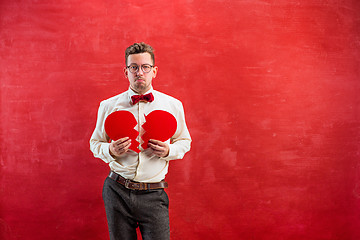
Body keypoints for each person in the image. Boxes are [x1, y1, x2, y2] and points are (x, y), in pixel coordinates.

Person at [90, 42, 191, 240]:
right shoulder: (108, 106)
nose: (139, 72)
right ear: (125, 71)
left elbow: (184, 141)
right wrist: (109, 149)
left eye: (145, 67)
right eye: (133, 67)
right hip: (116, 190)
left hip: (153, 193)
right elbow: (95, 143)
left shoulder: (173, 105)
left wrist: (168, 150)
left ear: (154, 71)